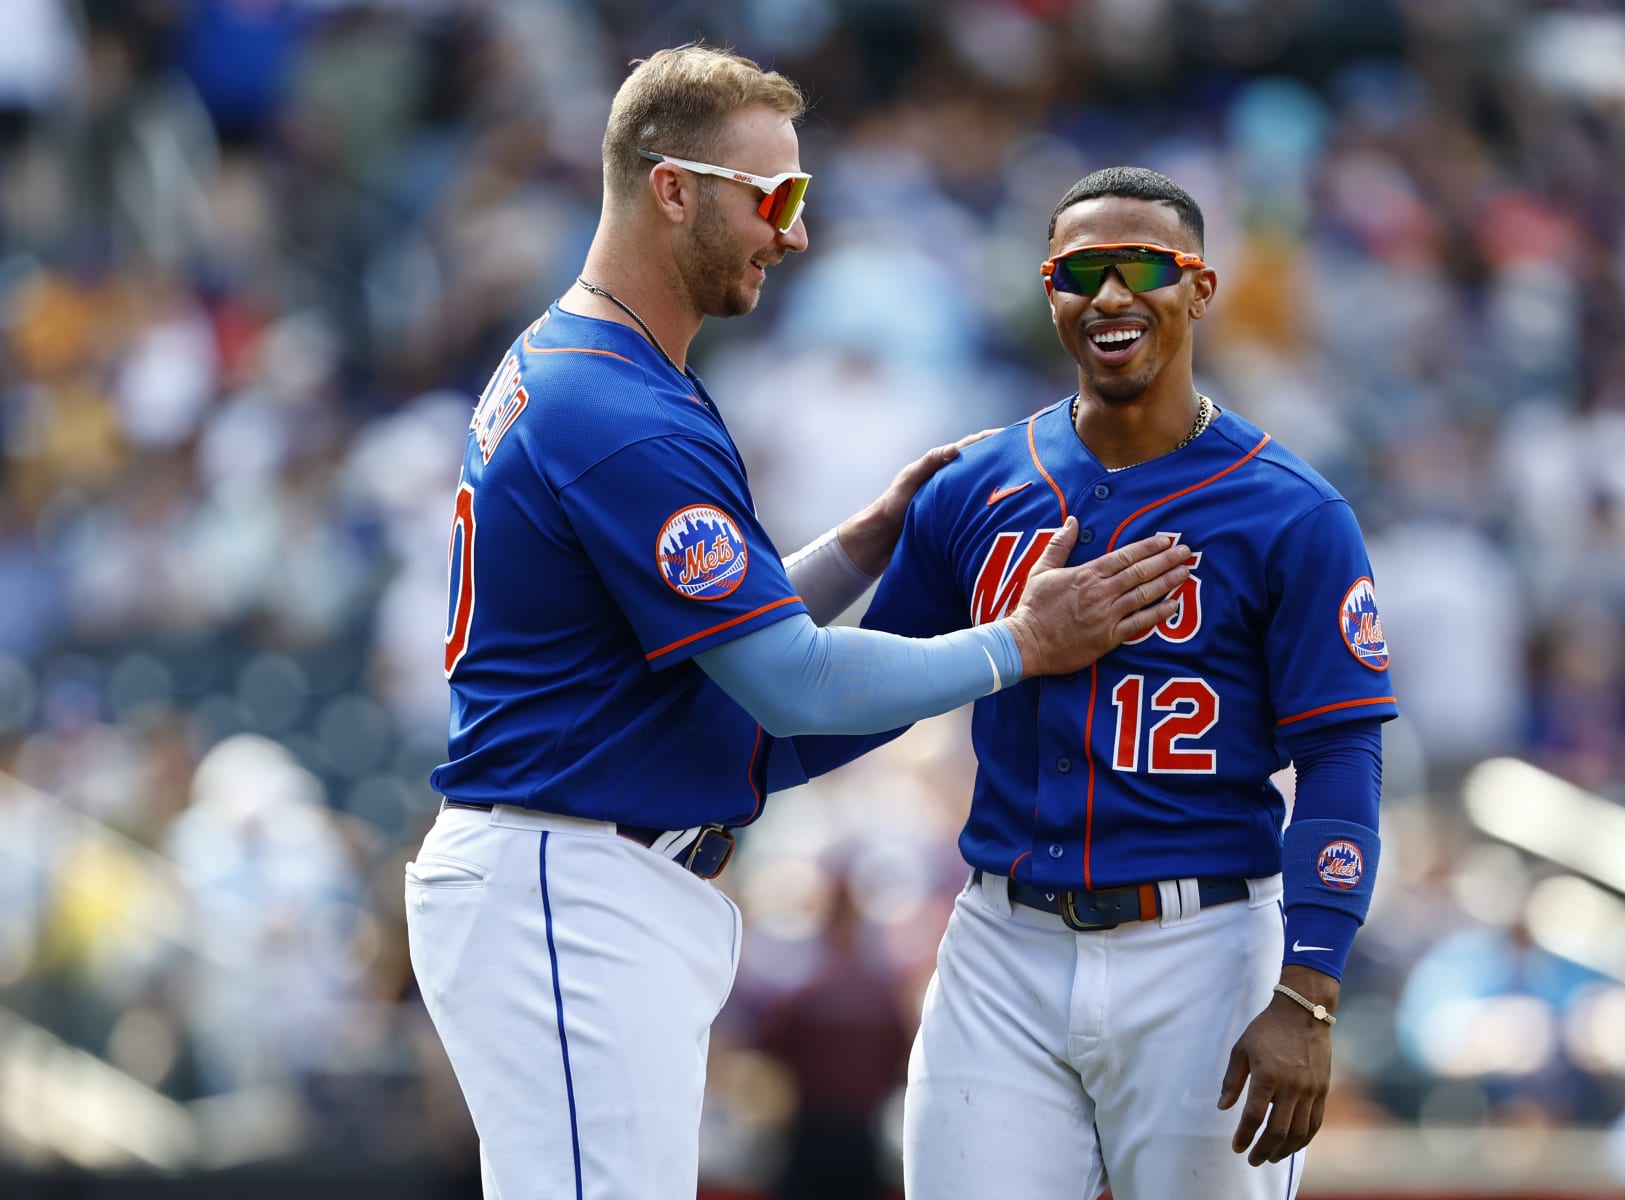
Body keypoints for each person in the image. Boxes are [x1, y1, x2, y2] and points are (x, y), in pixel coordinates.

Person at [401, 48, 1194, 1200]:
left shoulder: (601, 365)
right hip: (567, 883)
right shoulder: (613, 405)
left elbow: (718, 638)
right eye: (773, 198)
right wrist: (1024, 644)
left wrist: (859, 547)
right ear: (672, 188)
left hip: (585, 871)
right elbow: (788, 685)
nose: (797, 234)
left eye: (802, 199)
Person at [797, 166, 1399, 1198]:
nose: (1111, 295)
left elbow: (1342, 758)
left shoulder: (1292, 511)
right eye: (1081, 272)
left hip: (1204, 944)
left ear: (1200, 288)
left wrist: (1308, 991)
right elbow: (870, 690)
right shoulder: (978, 485)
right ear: (1049, 292)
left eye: (1145, 267)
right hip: (1002, 937)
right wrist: (713, 776)